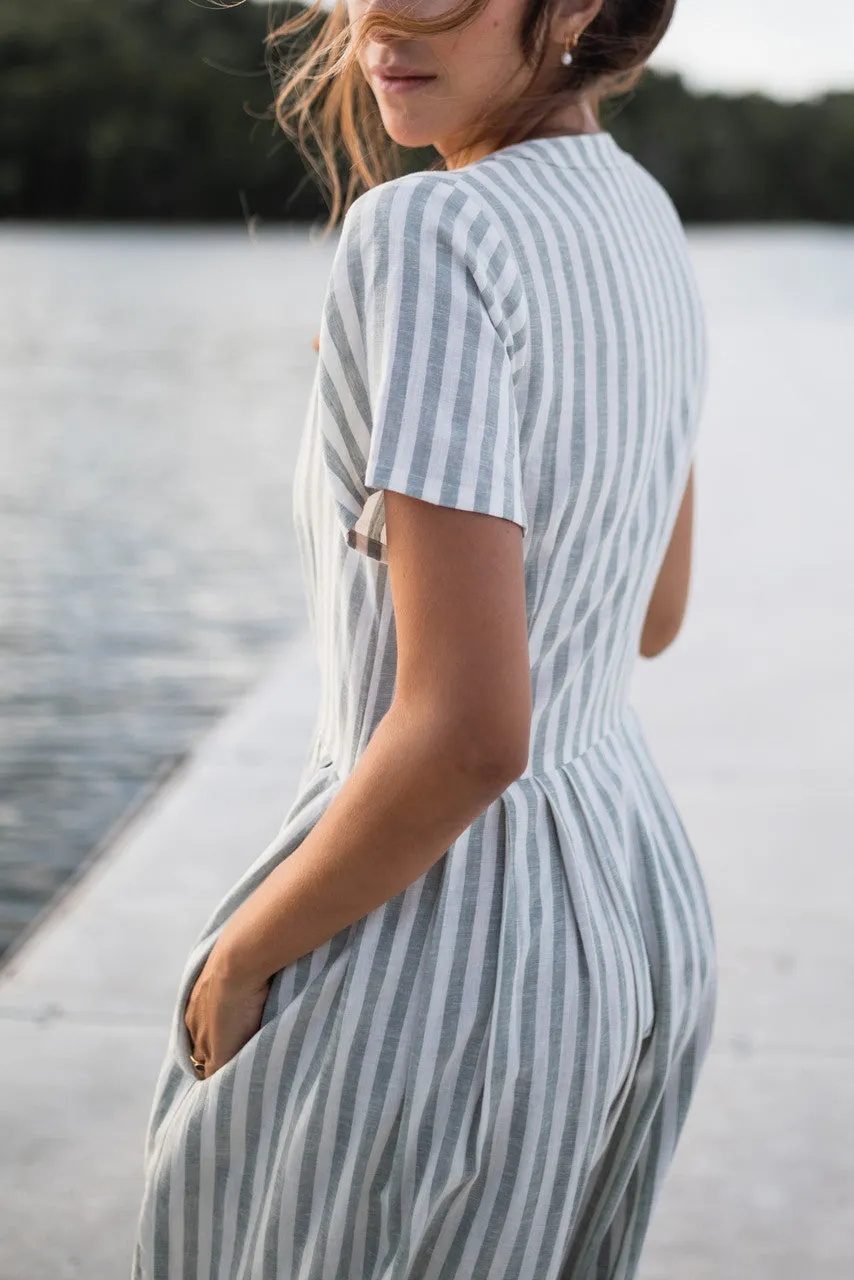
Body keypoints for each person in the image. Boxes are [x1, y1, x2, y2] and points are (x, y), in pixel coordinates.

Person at [131, 0, 716, 1275]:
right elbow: (651, 614)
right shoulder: (641, 216)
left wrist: (239, 955)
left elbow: (462, 736)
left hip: (438, 947)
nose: (376, 22)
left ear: (579, 7)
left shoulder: (428, 229)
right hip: (626, 911)